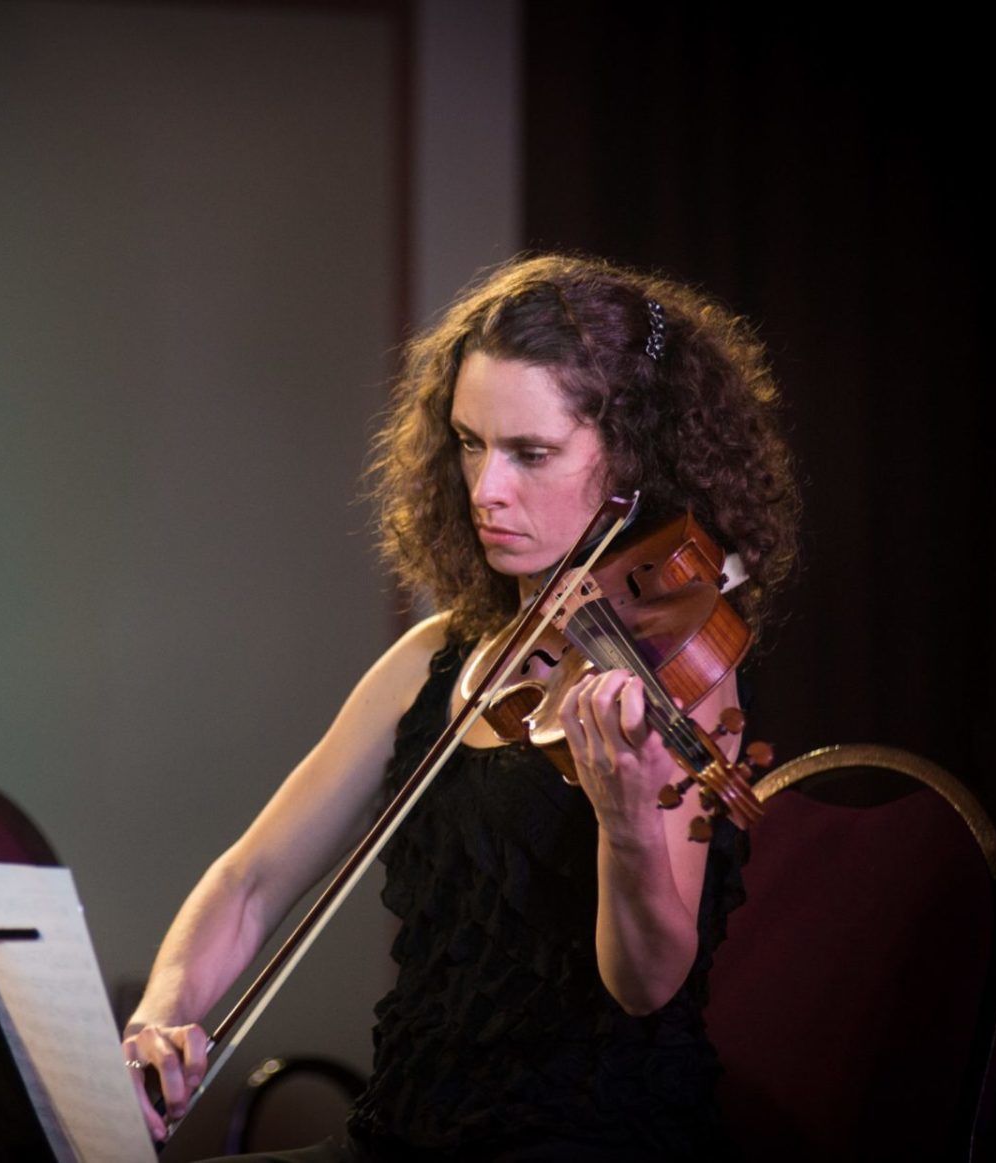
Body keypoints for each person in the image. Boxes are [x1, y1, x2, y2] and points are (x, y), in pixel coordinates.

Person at [122, 255, 799, 1160]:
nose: (486, 489)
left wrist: (628, 819)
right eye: (470, 442)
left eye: (531, 453)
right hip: (399, 1132)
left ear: (634, 459)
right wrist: (162, 1017)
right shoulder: (433, 659)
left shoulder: (680, 676)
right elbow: (248, 884)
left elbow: (646, 986)